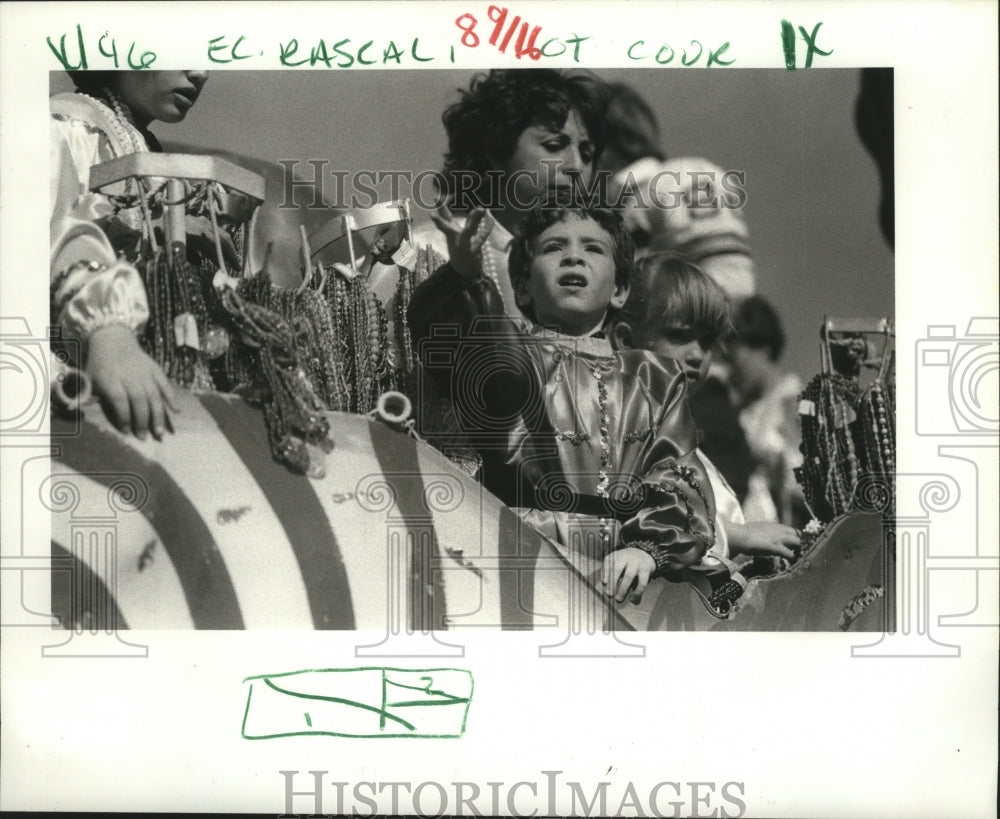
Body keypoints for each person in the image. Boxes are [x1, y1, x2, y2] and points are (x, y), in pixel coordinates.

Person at [409, 204, 737, 610]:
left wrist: (650, 549)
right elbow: (458, 341)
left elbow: (675, 475)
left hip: (630, 574)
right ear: (524, 287)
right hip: (525, 555)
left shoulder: (654, 378)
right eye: (552, 248)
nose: (573, 256)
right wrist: (464, 277)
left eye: (594, 249)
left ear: (619, 289)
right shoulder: (511, 354)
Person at [51, 70, 210, 440]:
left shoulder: (145, 148)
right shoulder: (65, 127)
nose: (200, 72)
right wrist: (106, 333)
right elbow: (42, 230)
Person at [611, 253, 801, 562]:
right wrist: (737, 536)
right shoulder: (623, 429)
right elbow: (644, 520)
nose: (697, 354)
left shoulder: (676, 431)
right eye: (679, 335)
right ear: (625, 340)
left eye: (708, 341)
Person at [405, 69, 609, 322]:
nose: (576, 166)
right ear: (496, 150)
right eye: (554, 146)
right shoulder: (426, 255)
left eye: (587, 154)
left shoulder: (601, 263)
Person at [726, 296, 807, 527]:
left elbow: (800, 474)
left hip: (782, 520)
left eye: (736, 358)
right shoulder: (747, 409)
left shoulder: (791, 399)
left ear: (762, 349)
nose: (733, 370)